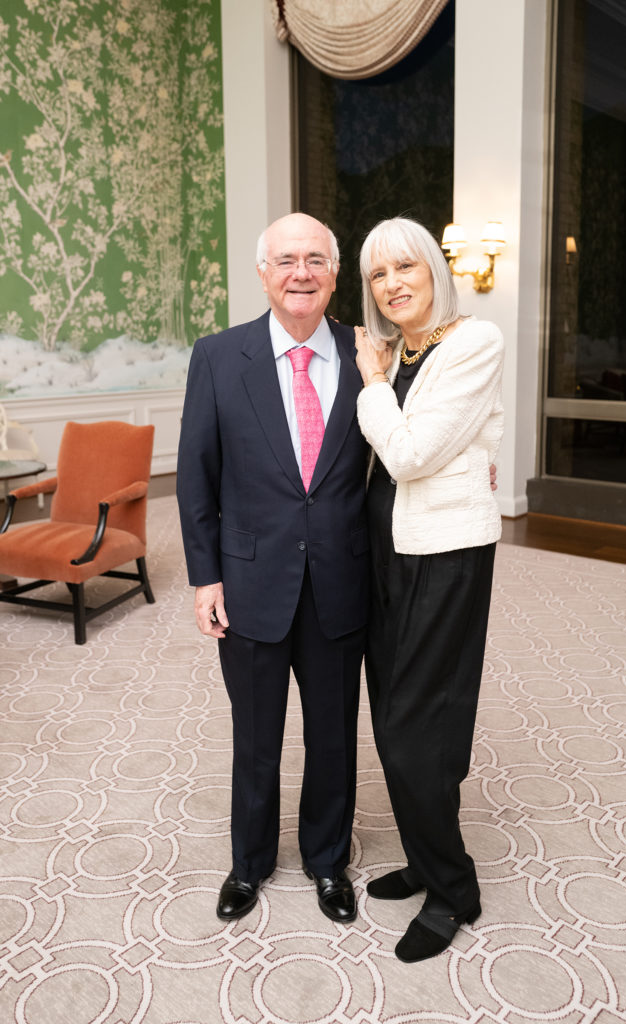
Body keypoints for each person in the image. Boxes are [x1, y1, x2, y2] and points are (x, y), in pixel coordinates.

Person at [176, 213, 370, 924]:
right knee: (255, 737)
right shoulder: (219, 356)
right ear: (262, 272)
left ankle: (327, 861)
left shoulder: (365, 351)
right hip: (250, 582)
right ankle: (248, 863)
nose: (300, 272)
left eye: (315, 259)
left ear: (333, 273)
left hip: (340, 584)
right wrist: (205, 577)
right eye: (286, 259)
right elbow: (197, 475)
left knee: (332, 735)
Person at [353, 216, 504, 963]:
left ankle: (453, 890)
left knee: (421, 729)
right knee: (390, 718)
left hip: (443, 558)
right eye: (378, 274)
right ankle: (422, 852)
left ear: (435, 271)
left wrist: (374, 383)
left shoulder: (473, 342)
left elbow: (410, 454)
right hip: (387, 555)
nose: (392, 285)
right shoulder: (405, 350)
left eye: (404, 267)